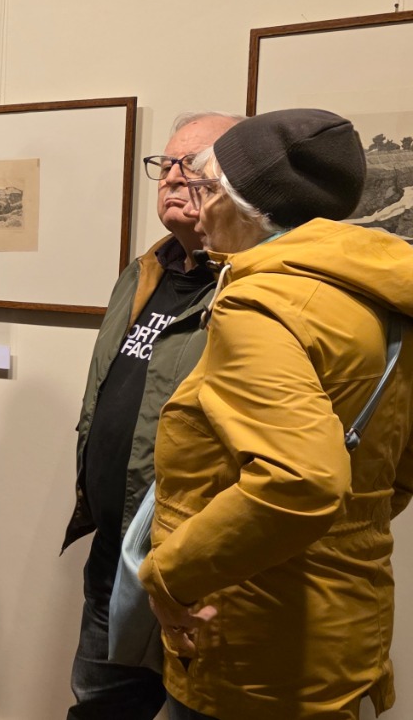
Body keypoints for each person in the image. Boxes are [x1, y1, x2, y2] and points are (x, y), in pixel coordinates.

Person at [139, 109, 413, 720]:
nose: (199, 207)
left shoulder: (262, 303)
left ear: (248, 207)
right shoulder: (384, 293)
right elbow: (398, 467)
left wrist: (169, 576)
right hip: (347, 613)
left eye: (209, 189)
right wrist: (340, 533)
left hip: (256, 627)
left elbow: (301, 481)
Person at [60, 111, 241, 719]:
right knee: (99, 707)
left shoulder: (251, 289)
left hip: (196, 562)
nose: (172, 177)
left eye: (193, 165)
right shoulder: (146, 271)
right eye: (165, 164)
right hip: (117, 548)